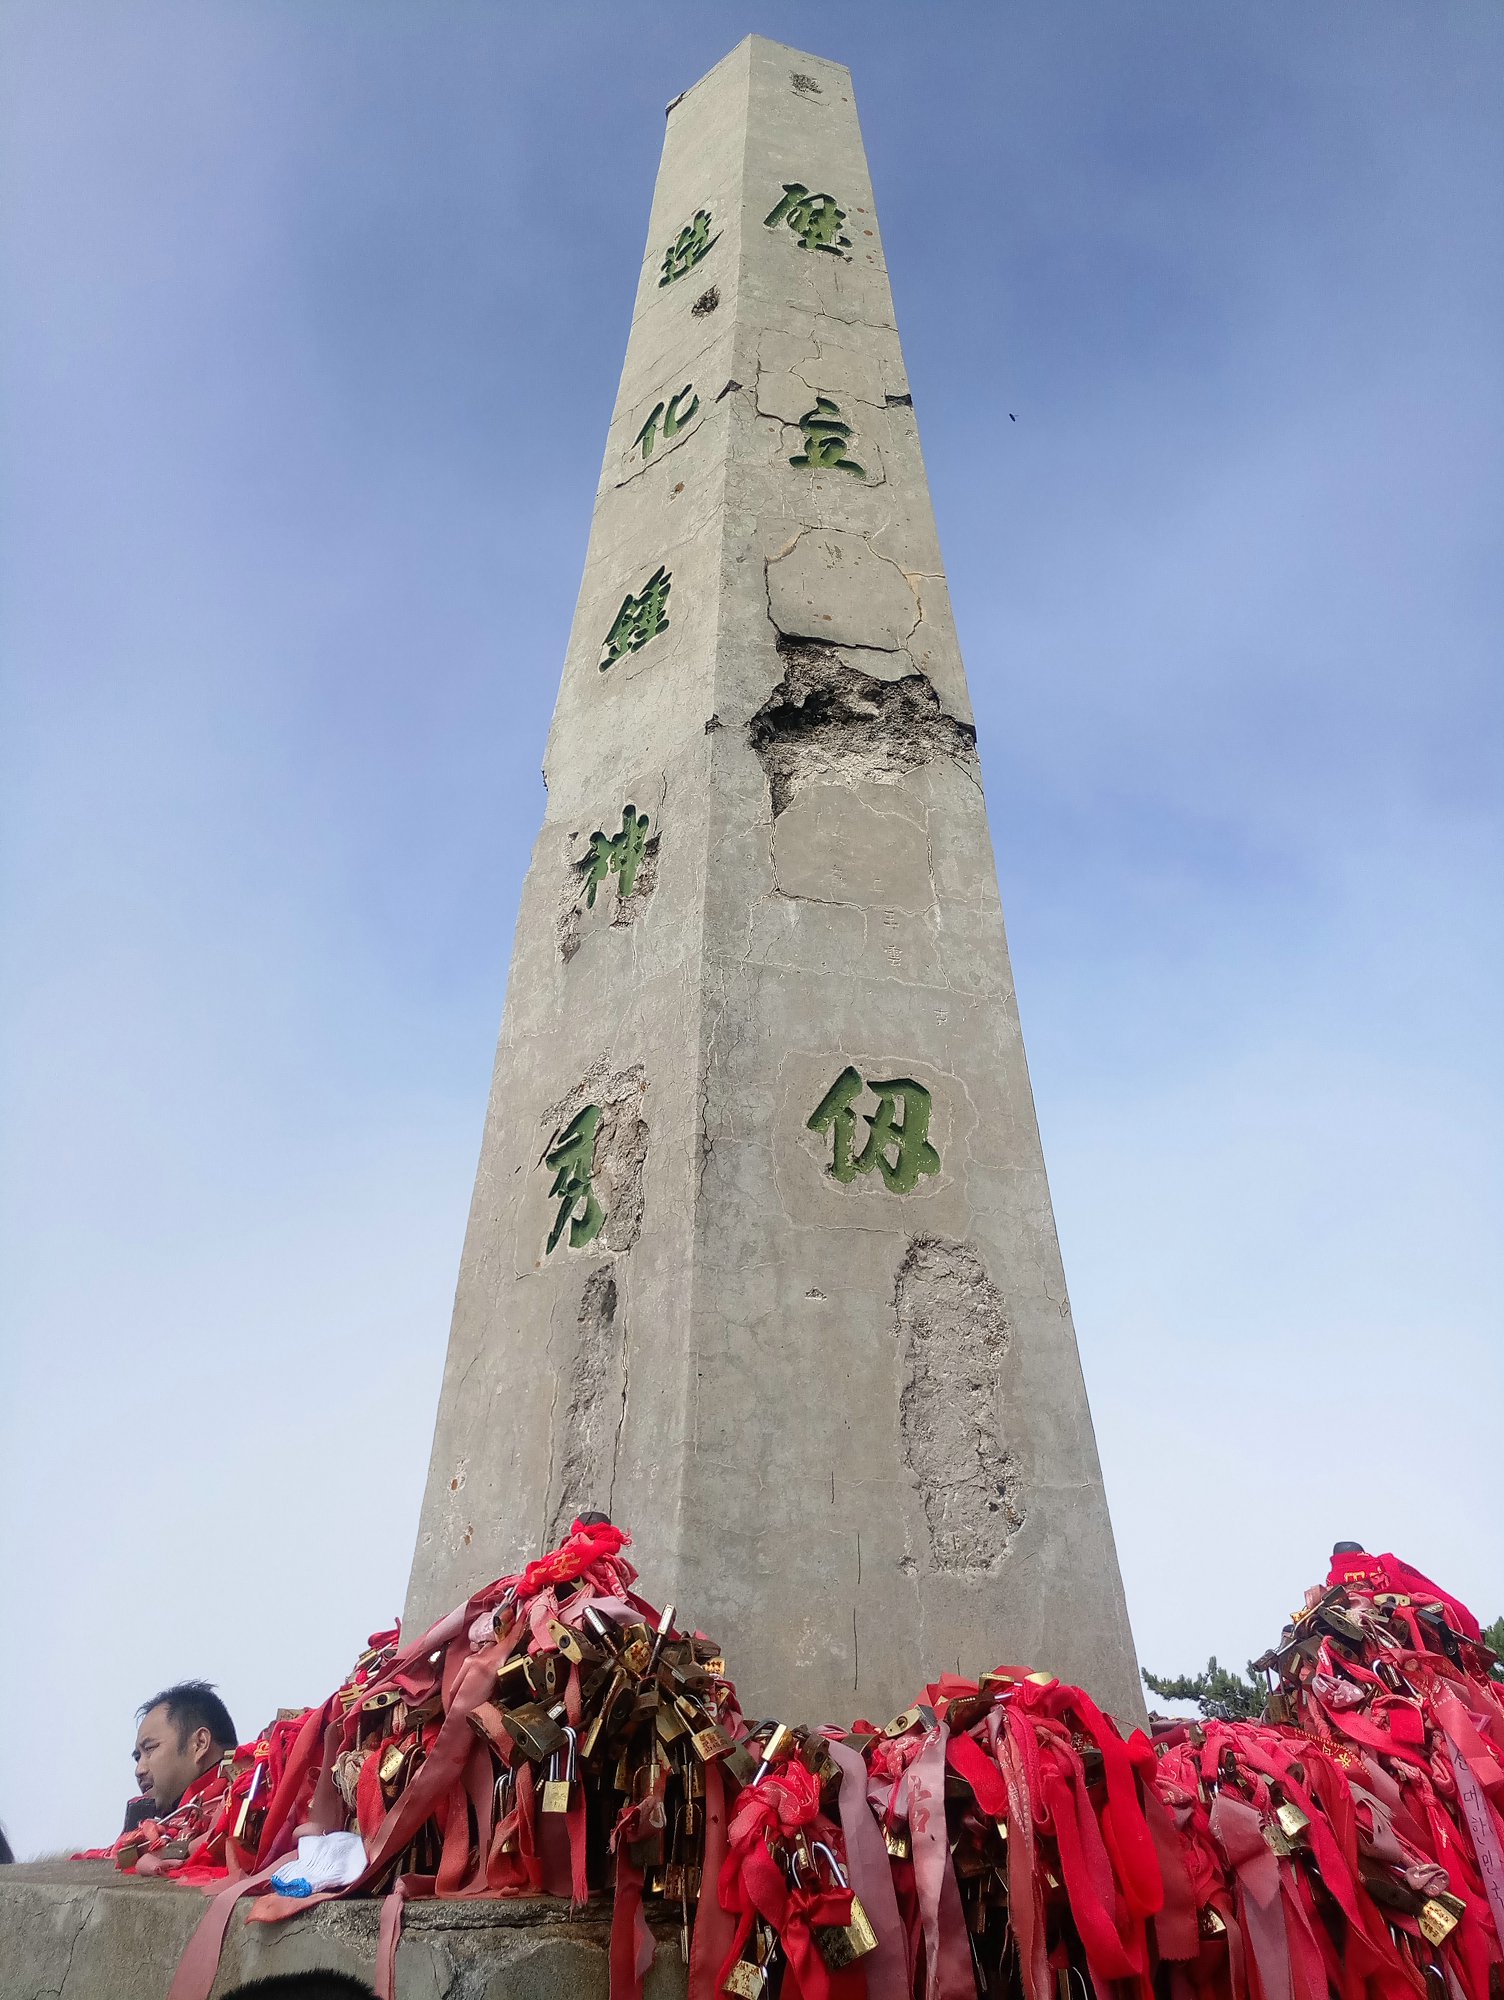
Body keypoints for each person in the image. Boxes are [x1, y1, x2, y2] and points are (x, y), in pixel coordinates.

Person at [126, 1680, 238, 1830]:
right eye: (137, 1757)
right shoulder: (163, 1833)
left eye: (150, 1748)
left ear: (199, 1743)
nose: (139, 1770)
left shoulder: (250, 1803)